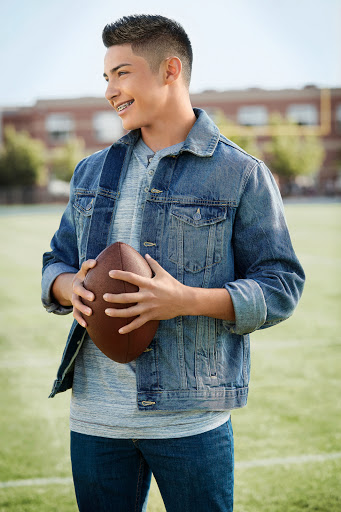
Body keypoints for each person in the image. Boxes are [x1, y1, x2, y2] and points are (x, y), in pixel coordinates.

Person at [41, 14, 305, 512]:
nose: (109, 90)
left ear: (170, 70)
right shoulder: (90, 171)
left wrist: (184, 300)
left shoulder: (240, 173)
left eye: (121, 73)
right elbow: (56, 260)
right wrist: (65, 286)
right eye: (105, 78)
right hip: (96, 420)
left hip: (192, 420)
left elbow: (282, 284)